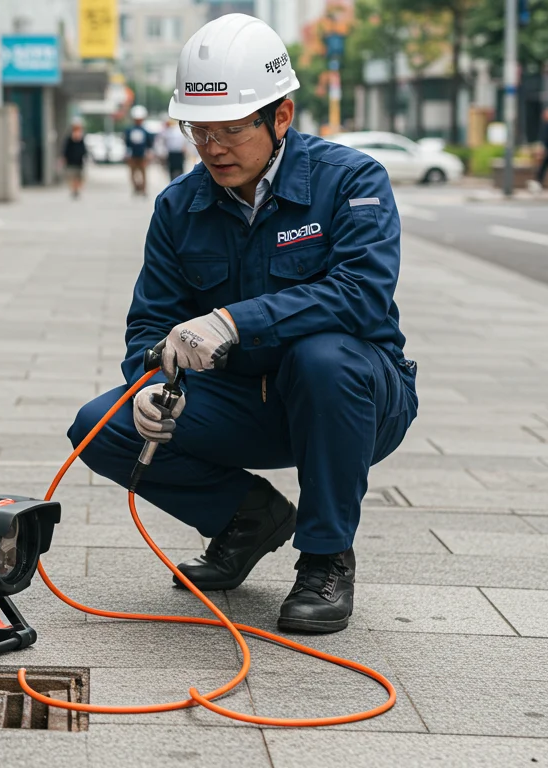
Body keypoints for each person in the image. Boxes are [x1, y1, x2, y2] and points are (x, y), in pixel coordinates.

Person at [67, 14, 418, 634]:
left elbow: (361, 294)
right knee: (100, 426)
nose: (213, 148)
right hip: (241, 402)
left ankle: (326, 558)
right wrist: (150, 383)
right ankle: (246, 517)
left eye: (231, 129)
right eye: (199, 130)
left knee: (322, 358)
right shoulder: (179, 207)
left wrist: (233, 321)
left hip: (353, 398)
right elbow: (151, 323)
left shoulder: (351, 180)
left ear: (280, 117)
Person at [124, 105, 152, 196]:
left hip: (142, 155)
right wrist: (127, 153)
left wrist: (149, 153)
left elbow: (149, 144)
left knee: (143, 172)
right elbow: (127, 143)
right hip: (132, 155)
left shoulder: (145, 131)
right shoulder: (129, 130)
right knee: (133, 173)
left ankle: (143, 189)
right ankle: (136, 187)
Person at [62, 120, 89, 199]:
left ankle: (76, 189)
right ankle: (74, 190)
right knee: (72, 177)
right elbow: (65, 150)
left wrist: (85, 157)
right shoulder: (69, 139)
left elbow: (84, 150)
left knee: (79, 177)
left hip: (79, 162)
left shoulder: (81, 139)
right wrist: (64, 158)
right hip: (71, 161)